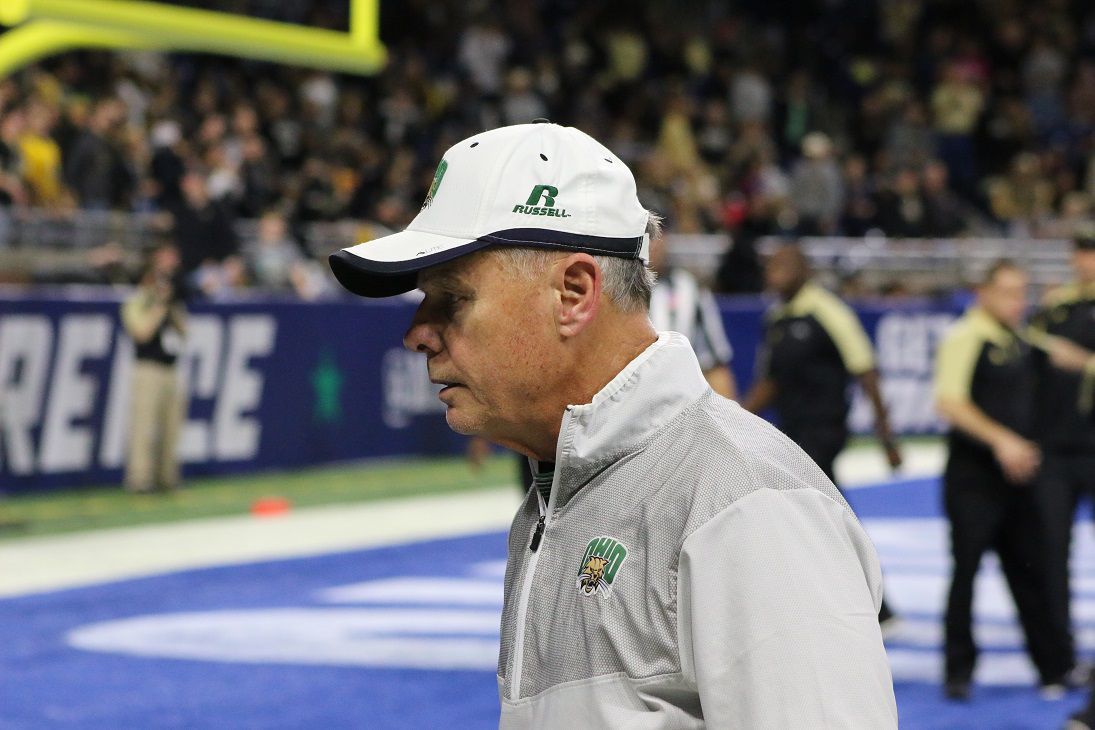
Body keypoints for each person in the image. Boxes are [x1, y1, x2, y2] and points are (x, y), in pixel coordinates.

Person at [328, 121, 897, 727]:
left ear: (574, 293)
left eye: (452, 298)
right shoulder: (564, 492)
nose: (417, 332)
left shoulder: (748, 505)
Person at [740, 245, 903, 628]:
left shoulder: (828, 311)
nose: (773, 273)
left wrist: (886, 437)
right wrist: (737, 418)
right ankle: (859, 600)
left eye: (782, 265)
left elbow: (865, 369)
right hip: (791, 433)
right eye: (770, 266)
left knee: (819, 511)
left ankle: (873, 601)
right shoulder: (778, 317)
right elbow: (771, 381)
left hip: (824, 430)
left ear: (804, 269)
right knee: (820, 513)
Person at [933, 260, 1074, 701]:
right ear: (984, 293)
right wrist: (1003, 441)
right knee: (967, 573)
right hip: (974, 480)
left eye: (1022, 293)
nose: (1019, 302)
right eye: (1009, 293)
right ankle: (959, 670)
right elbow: (949, 403)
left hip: (1018, 480)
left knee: (1031, 571)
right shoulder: (965, 336)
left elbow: (1060, 353)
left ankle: (1053, 666)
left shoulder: (1018, 339)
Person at [1027, 234, 1095, 713]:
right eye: (1080, 251)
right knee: (1049, 556)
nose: (1083, 260)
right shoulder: (1054, 309)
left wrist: (1087, 365)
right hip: (1054, 452)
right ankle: (1059, 660)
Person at [120, 242, 187, 493]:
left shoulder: (171, 304)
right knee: (144, 427)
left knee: (171, 428)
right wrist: (158, 307)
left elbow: (185, 332)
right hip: (147, 370)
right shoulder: (137, 302)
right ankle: (140, 479)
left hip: (171, 369)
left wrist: (171, 306)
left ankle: (167, 478)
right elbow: (141, 332)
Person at [648, 234, 736, 399]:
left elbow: (714, 363)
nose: (652, 244)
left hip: (681, 398)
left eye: (658, 234)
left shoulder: (688, 287)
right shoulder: (611, 289)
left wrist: (730, 418)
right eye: (645, 234)